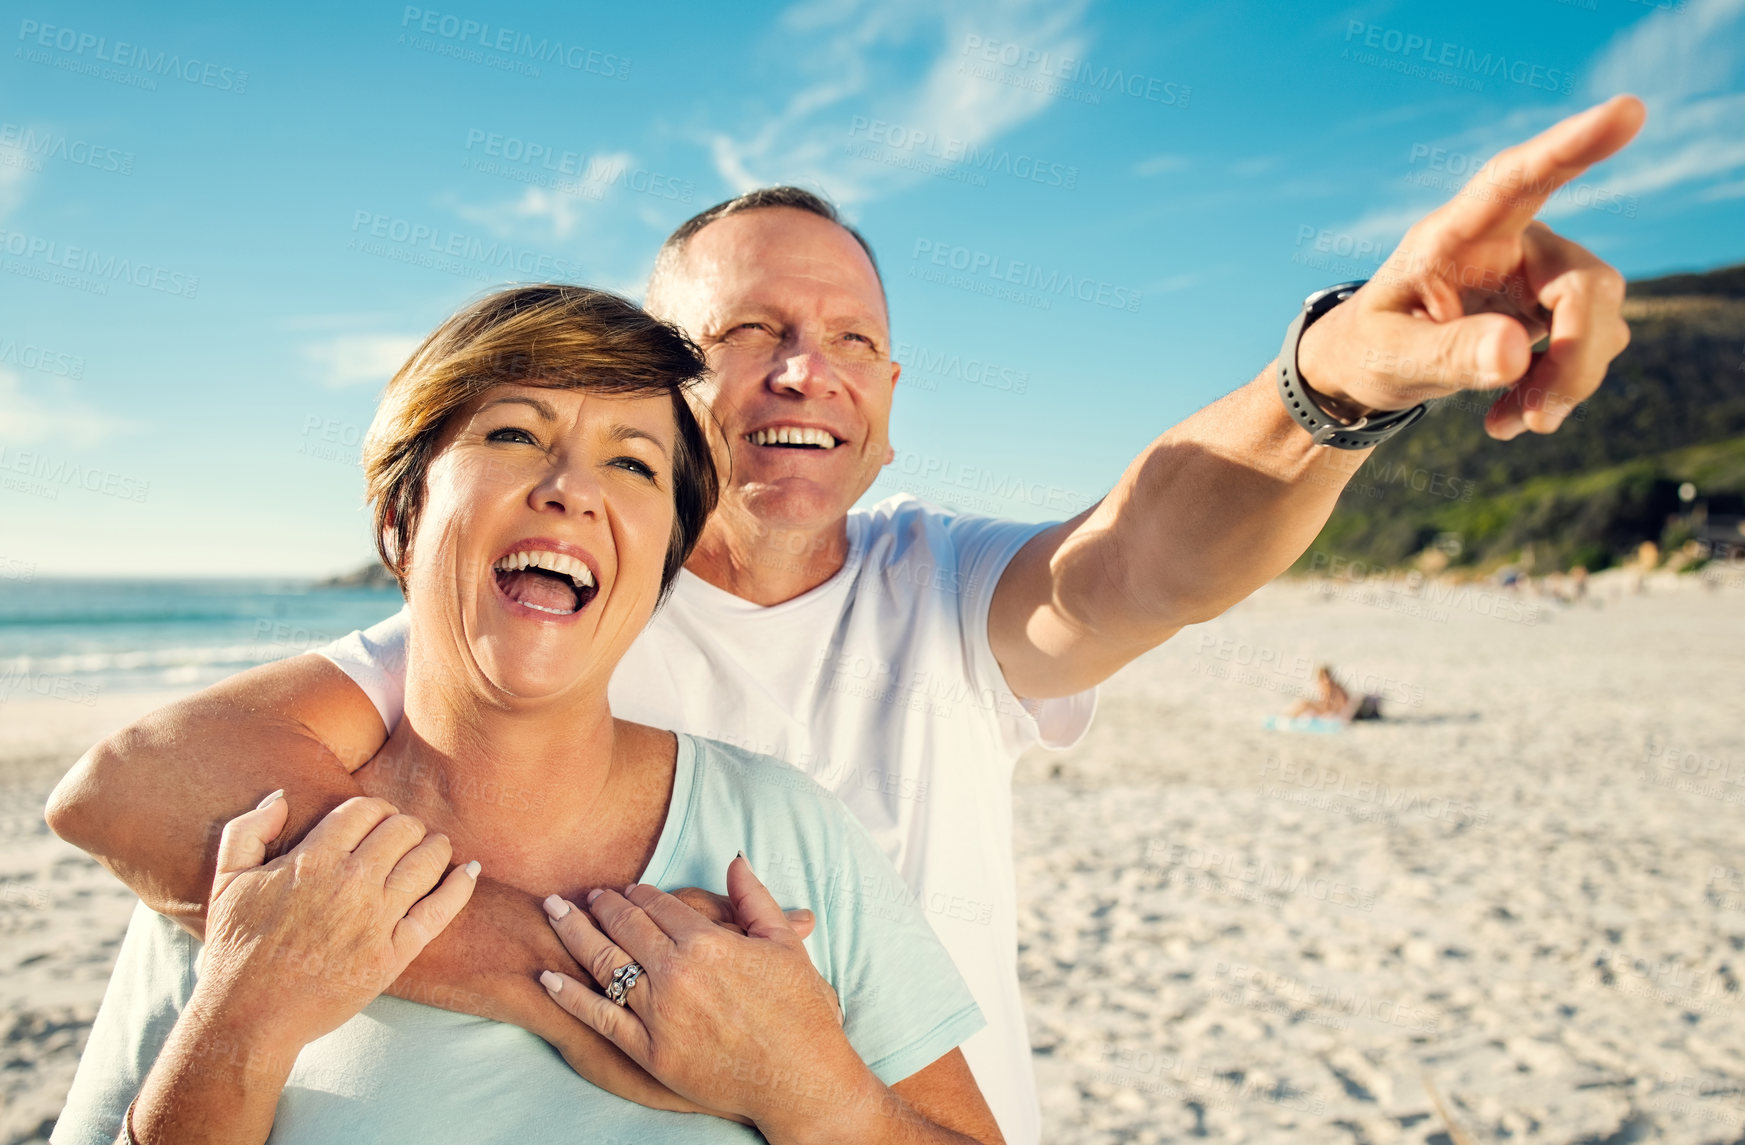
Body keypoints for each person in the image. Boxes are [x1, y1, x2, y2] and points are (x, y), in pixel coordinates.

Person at [47, 95, 1647, 1144]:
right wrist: (599, 980)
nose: (803, 369)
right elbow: (142, 779)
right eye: (746, 331)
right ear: (650, 383)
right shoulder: (537, 617)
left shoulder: (937, 595)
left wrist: (1336, 382)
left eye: (848, 341)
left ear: (889, 401)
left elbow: (1152, 544)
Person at [52, 286, 1000, 1144]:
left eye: (633, 465)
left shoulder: (785, 833)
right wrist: (238, 1026)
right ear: (404, 513)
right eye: (513, 436)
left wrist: (817, 1094)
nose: (573, 490)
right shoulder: (255, 856)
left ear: (662, 563)